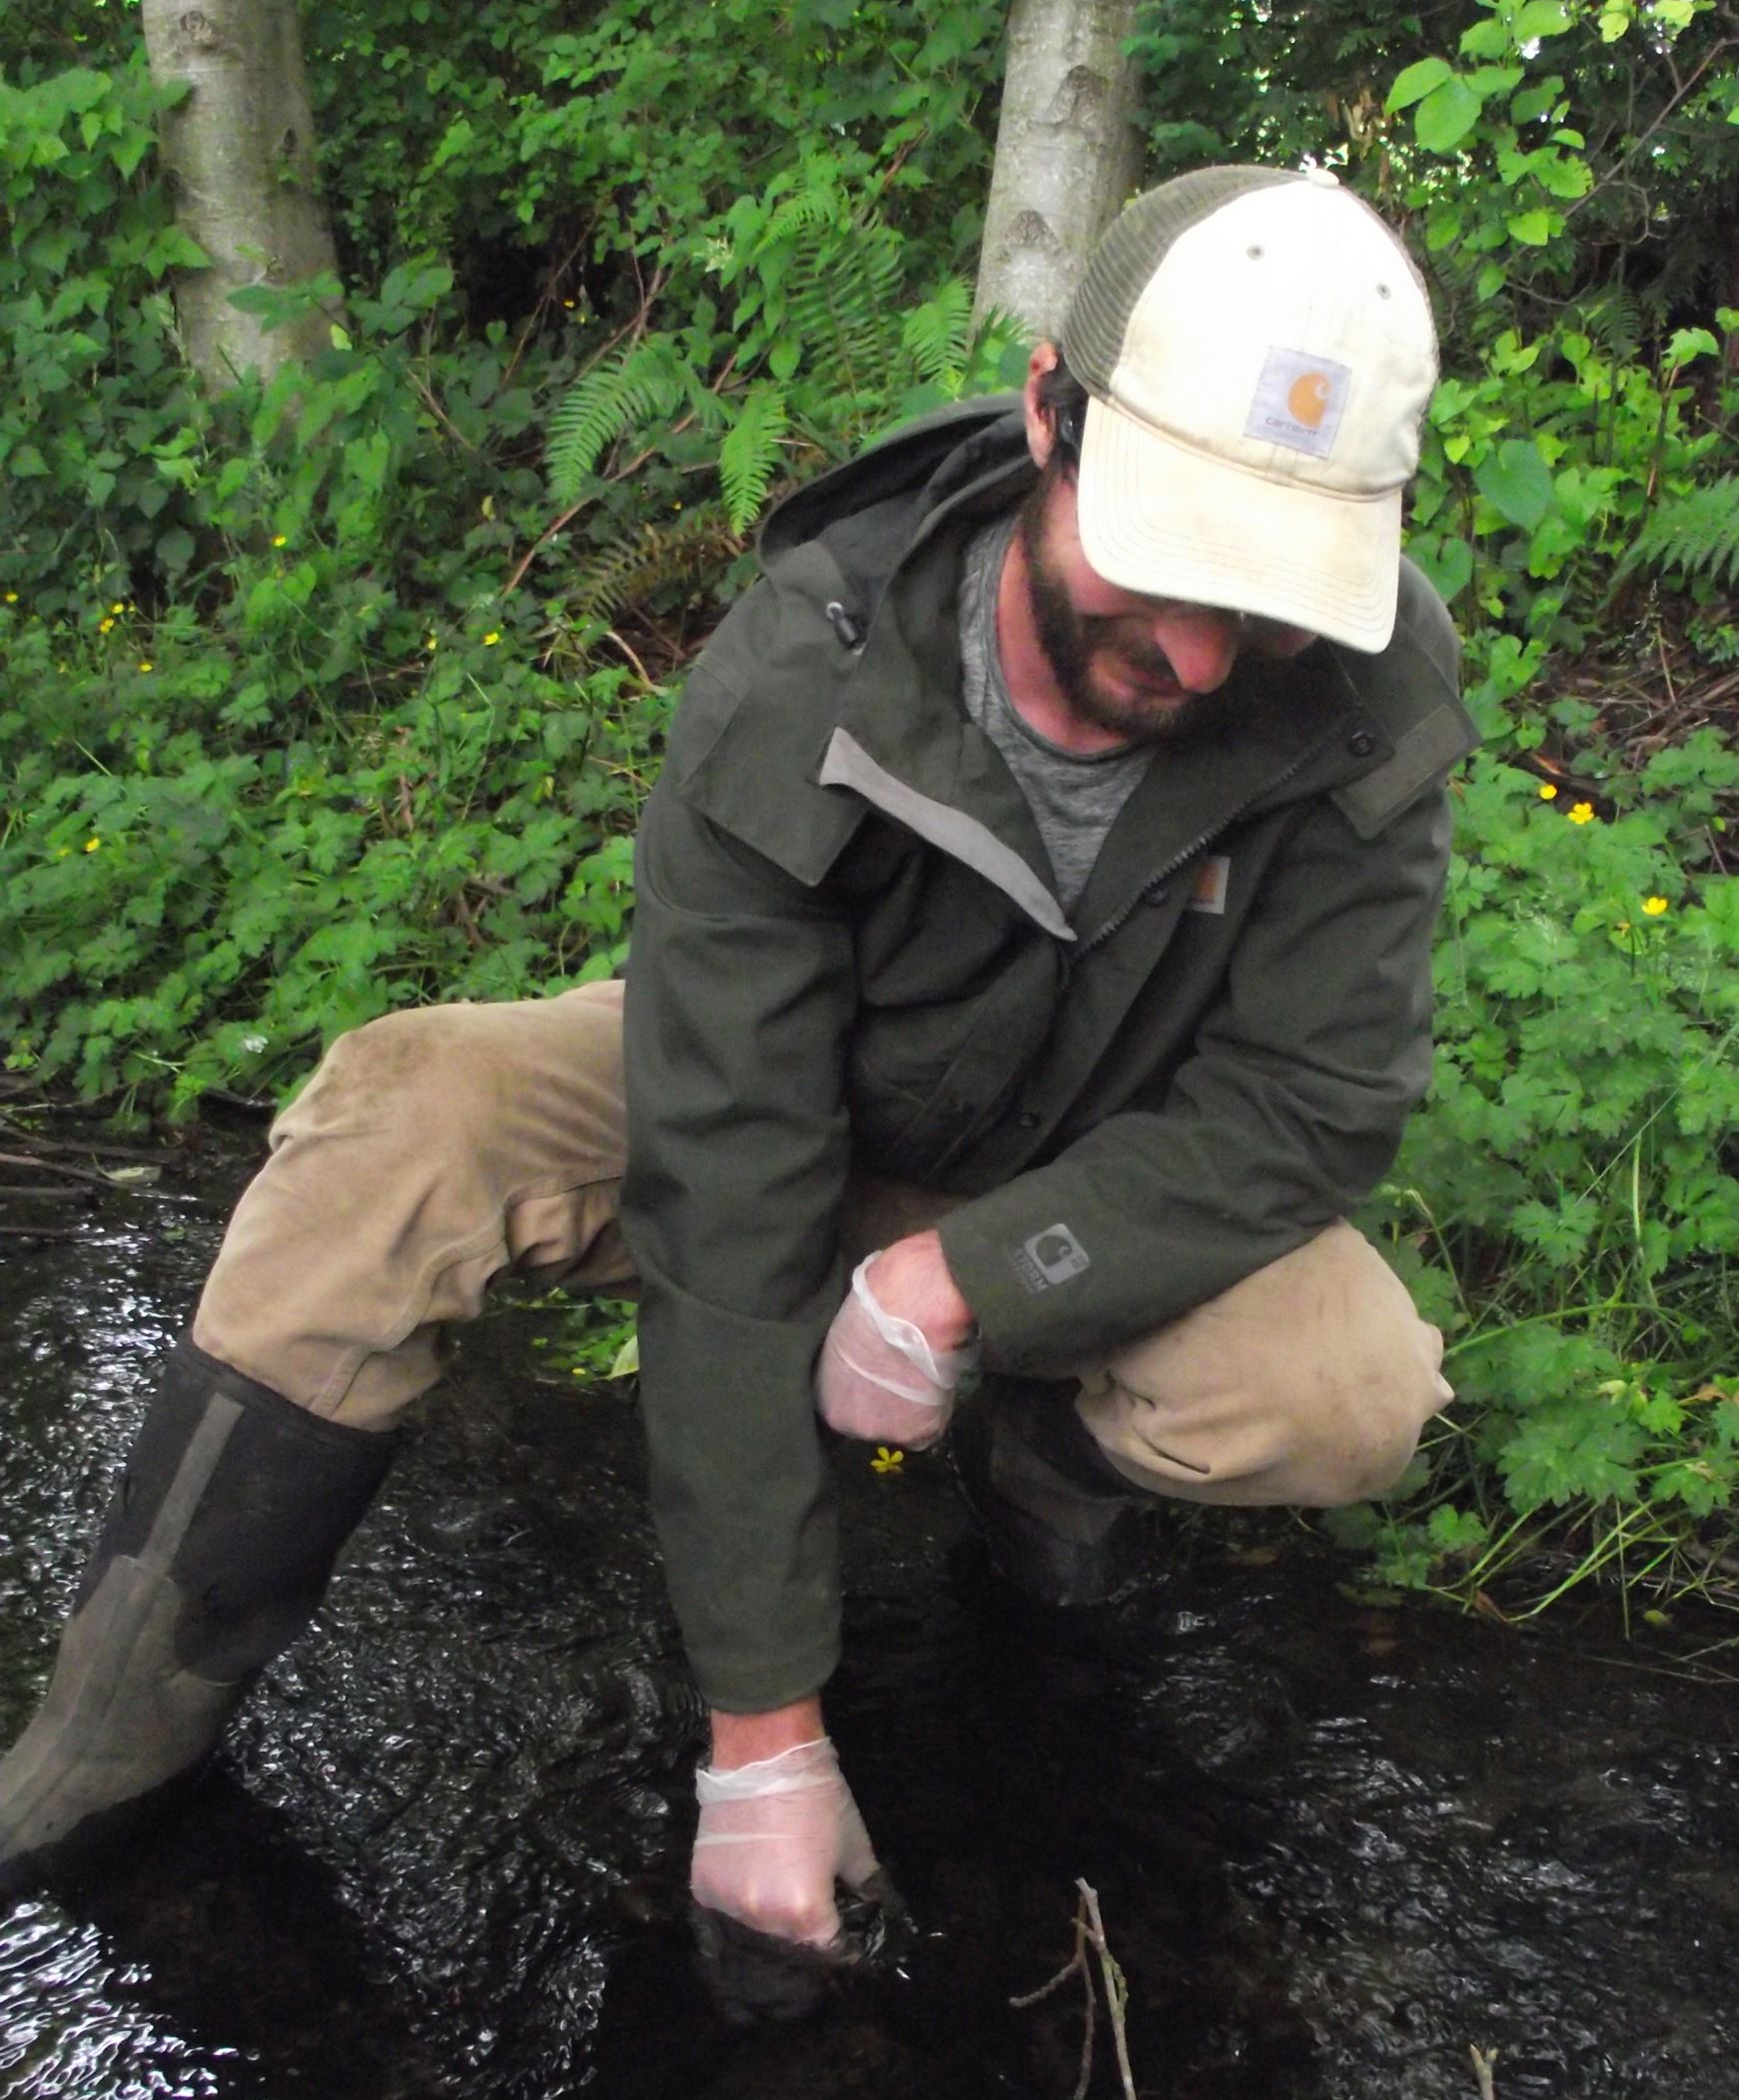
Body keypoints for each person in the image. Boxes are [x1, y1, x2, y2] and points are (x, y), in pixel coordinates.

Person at [0, 165, 1474, 1967]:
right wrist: (763, 1740)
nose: (1192, 654)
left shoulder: (1365, 705)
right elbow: (725, 1184)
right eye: (1164, 569)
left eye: (1263, 605)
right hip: (789, 1096)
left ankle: (1045, 1475)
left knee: (1343, 1387)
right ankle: (111, 1747)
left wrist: (969, 1280)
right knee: (403, 1122)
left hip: (1089, 1169)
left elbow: (1309, 1106)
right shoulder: (810, 662)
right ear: (1044, 415)